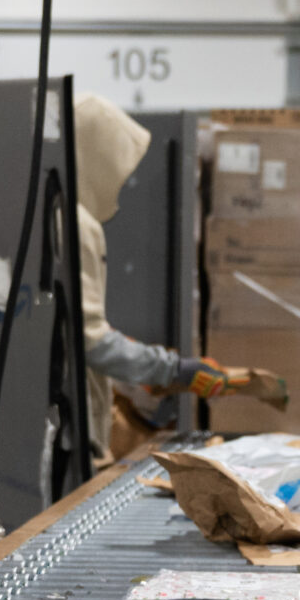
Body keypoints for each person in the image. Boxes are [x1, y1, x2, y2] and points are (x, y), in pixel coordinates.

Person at [71, 93, 262, 469]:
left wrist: (156, 374)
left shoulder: (63, 216)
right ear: (96, 158)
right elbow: (90, 341)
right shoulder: (78, 226)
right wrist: (175, 370)